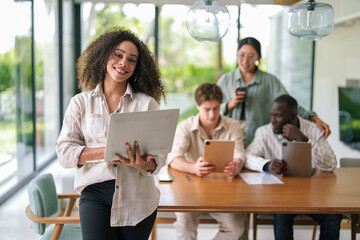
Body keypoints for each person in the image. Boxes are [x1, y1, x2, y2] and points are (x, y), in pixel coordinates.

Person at [56, 27, 166, 240]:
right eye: (118, 55)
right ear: (104, 56)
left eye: (132, 60)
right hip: (95, 193)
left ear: (137, 67)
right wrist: (106, 152)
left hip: (139, 198)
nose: (124, 62)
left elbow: (159, 158)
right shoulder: (80, 103)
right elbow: (64, 153)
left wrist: (142, 164)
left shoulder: (147, 104)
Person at [245, 94, 342, 240]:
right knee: (282, 215)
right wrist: (266, 164)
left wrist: (303, 140)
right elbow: (246, 157)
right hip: (280, 197)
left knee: (333, 215)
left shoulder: (312, 130)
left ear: (293, 116)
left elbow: (331, 164)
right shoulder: (264, 132)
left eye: (278, 116)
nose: (273, 121)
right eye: (271, 115)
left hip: (312, 195)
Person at [167, 83, 247, 240]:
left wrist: (237, 165)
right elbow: (173, 158)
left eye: (216, 108)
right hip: (190, 190)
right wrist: (193, 168)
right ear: (198, 106)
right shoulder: (185, 126)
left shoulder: (234, 126)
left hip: (223, 191)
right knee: (185, 229)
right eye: (207, 109)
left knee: (236, 228)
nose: (212, 114)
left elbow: (240, 154)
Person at [217, 37, 330, 146]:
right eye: (241, 55)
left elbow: (289, 105)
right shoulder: (225, 80)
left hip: (260, 142)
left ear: (259, 57)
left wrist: (313, 118)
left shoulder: (270, 81)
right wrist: (230, 104)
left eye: (251, 56)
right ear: (236, 54)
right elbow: (212, 110)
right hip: (230, 141)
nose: (245, 60)